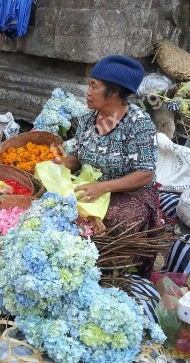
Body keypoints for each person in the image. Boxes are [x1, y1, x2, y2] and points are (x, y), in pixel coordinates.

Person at [58, 55, 158, 275]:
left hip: (130, 192)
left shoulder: (139, 124)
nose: (88, 91)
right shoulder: (86, 120)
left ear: (113, 93)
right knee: (57, 207)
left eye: (94, 86)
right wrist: (59, 166)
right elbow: (76, 157)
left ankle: (112, 270)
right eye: (89, 84)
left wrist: (103, 187)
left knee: (114, 221)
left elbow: (145, 174)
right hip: (92, 186)